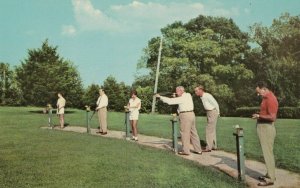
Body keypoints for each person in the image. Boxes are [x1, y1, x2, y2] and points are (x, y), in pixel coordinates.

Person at [155, 86, 202, 155]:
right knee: (193, 132)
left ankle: (185, 151)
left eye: (177, 91)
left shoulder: (182, 98)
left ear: (181, 91)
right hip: (191, 114)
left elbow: (170, 102)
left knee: (185, 133)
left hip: (185, 115)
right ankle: (198, 150)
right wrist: (175, 96)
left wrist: (160, 97)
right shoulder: (188, 95)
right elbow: (178, 100)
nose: (176, 92)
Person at [252, 81, 278, 186]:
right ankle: (269, 174)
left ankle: (270, 179)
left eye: (259, 92)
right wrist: (259, 114)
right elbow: (267, 113)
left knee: (268, 153)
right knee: (267, 152)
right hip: (263, 127)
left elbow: (272, 117)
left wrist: (259, 116)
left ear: (264, 89)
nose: (258, 94)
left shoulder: (271, 99)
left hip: (266, 128)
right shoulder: (266, 98)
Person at [194, 85, 220, 152]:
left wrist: (218, 113)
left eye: (196, 91)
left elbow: (216, 104)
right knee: (212, 130)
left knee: (208, 130)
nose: (195, 92)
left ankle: (208, 147)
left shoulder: (207, 95)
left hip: (212, 112)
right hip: (209, 112)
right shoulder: (202, 97)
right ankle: (213, 146)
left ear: (201, 90)